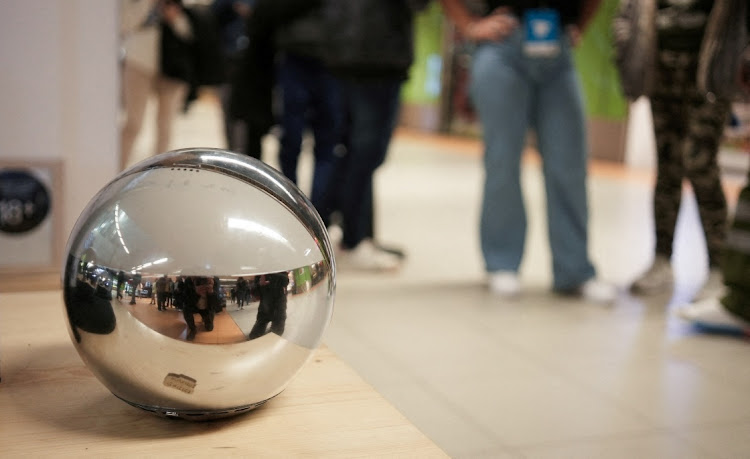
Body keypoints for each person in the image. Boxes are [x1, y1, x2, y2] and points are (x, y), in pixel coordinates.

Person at [439, 0, 615, 302]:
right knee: (503, 161)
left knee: (569, 165)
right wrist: (468, 24)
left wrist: (578, 27)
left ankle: (574, 270)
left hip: (557, 50)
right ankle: (502, 262)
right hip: (502, 46)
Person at [614, 0, 736, 300]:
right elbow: (627, 14)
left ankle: (720, 268)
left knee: (699, 162)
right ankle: (661, 259)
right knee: (667, 166)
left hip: (708, 76)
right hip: (661, 73)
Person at [316, 0, 430, 271]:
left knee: (349, 151)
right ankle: (354, 238)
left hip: (345, 51)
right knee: (366, 152)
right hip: (376, 55)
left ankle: (333, 232)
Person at [274, 1, 343, 215]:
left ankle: (313, 215)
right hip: (300, 56)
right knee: (295, 141)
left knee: (323, 145)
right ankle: (294, 208)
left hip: (328, 60)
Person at [119, 0, 195, 170]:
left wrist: (174, 16)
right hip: (138, 62)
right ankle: (116, 170)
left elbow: (189, 32)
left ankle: (160, 172)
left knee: (165, 125)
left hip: (172, 68)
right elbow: (125, 24)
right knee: (133, 123)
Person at [211, 0, 255, 152]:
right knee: (229, 110)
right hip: (229, 59)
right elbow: (213, 12)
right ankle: (234, 153)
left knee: (250, 115)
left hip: (255, 60)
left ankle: (246, 154)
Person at [248, 272, 289, 339]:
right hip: (264, 308)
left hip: (279, 307)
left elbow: (285, 282)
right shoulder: (260, 272)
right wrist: (259, 284)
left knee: (276, 334)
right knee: (253, 336)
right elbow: (254, 292)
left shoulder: (280, 270)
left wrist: (272, 279)